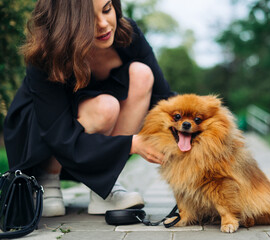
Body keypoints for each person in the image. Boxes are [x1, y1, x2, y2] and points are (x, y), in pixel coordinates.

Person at [3, 0, 173, 217]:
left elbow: (164, 99)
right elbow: (59, 134)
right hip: (43, 134)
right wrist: (131, 144)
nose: (103, 24)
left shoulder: (128, 33)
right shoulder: (46, 50)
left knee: (142, 73)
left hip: (90, 141)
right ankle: (46, 181)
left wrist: (197, 127)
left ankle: (103, 187)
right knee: (106, 107)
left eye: (107, 9)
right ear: (67, 22)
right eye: (88, 19)